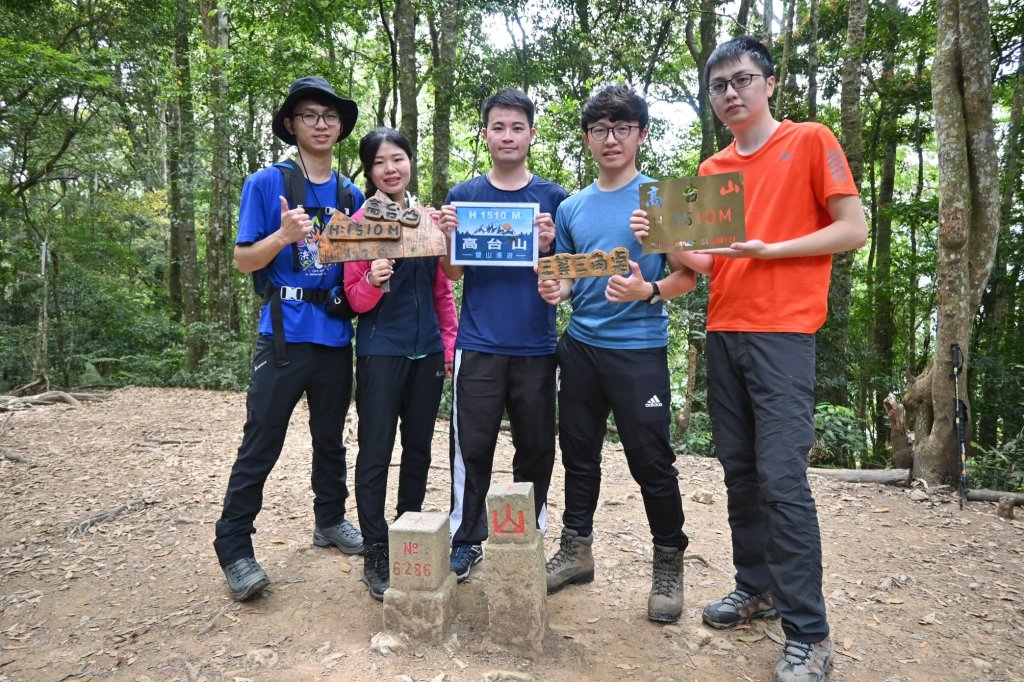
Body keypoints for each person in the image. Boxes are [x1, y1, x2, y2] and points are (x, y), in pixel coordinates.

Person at [633, 36, 867, 682]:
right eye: (719, 86)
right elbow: (706, 263)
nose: (730, 93)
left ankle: (809, 632)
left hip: (785, 334)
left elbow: (854, 227)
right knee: (738, 470)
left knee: (782, 479)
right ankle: (756, 587)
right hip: (724, 329)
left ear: (770, 83)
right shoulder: (710, 172)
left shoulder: (810, 140)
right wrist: (668, 241)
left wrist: (773, 249)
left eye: (742, 80)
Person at [538, 85, 696, 624]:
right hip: (580, 346)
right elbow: (563, 278)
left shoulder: (663, 198)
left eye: (622, 128)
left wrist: (648, 290)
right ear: (587, 138)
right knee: (578, 453)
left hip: (639, 351)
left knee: (651, 461)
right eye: (600, 129)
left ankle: (669, 563)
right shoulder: (572, 207)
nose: (611, 139)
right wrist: (553, 291)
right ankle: (576, 550)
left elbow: (689, 277)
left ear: (640, 135)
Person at [214, 76, 366, 602]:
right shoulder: (265, 184)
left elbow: (361, 266)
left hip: (334, 334)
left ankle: (330, 519)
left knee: (331, 437)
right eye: (309, 116)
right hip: (282, 334)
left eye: (330, 116)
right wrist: (282, 237)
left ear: (341, 126)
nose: (321, 124)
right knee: (263, 439)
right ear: (291, 125)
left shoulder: (352, 194)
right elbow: (242, 260)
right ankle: (234, 547)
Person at [437, 89, 568, 582]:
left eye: (517, 127)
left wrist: (551, 245)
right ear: (486, 134)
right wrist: (449, 236)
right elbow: (452, 273)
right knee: (472, 446)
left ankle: (524, 537)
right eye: (498, 127)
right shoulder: (464, 196)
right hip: (478, 343)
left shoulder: (554, 199)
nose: (507, 135)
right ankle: (465, 538)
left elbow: (564, 279)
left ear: (531, 134)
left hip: (536, 344)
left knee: (535, 446)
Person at [343, 127, 458, 600]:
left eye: (398, 159)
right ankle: (375, 547)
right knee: (375, 450)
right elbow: (353, 298)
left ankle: (407, 531)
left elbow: (442, 291)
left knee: (418, 449)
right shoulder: (359, 222)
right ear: (369, 171)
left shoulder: (426, 220)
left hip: (426, 351)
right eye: (379, 162)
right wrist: (371, 278)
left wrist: (447, 348)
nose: (391, 169)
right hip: (379, 351)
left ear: (410, 162)